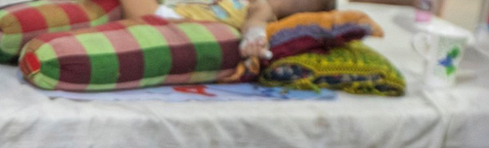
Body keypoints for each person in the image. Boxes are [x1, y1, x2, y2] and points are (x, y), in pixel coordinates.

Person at [118, 0, 337, 58]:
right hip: (164, 13)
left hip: (161, 18)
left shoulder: (263, 7)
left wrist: (255, 37)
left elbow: (256, 23)